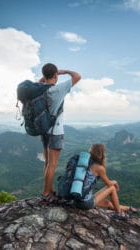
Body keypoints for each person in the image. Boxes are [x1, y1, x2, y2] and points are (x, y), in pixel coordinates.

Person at [39, 63, 81, 204]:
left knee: (47, 162)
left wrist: (47, 75)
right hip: (55, 131)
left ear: (44, 75)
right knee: (52, 164)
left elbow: (41, 81)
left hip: (44, 130)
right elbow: (77, 76)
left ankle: (48, 190)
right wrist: (64, 71)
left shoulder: (40, 89)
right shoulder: (58, 89)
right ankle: (46, 193)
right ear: (55, 75)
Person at [75, 144, 140, 220]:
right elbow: (109, 184)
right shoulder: (99, 168)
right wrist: (115, 182)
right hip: (85, 203)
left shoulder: (84, 163)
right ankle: (119, 214)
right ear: (102, 154)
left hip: (76, 199)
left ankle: (129, 209)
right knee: (112, 188)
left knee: (107, 203)